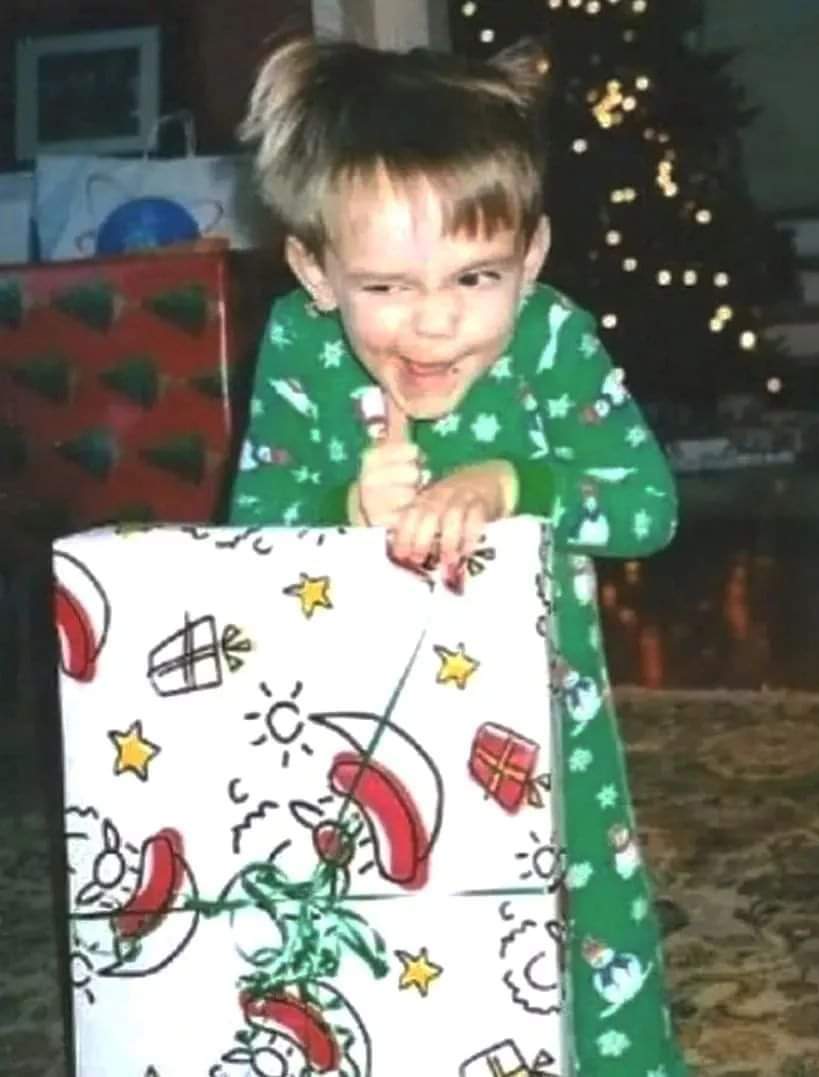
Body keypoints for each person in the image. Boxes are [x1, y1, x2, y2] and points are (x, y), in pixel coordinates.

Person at [229, 35, 688, 1075]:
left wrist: (513, 485)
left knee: (586, 926)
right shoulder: (300, 347)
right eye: (386, 288)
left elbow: (647, 507)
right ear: (314, 268)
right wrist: (339, 504)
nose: (435, 323)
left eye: (476, 275)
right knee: (382, 945)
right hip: (353, 730)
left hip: (547, 728)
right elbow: (247, 535)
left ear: (529, 256)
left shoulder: (552, 339)